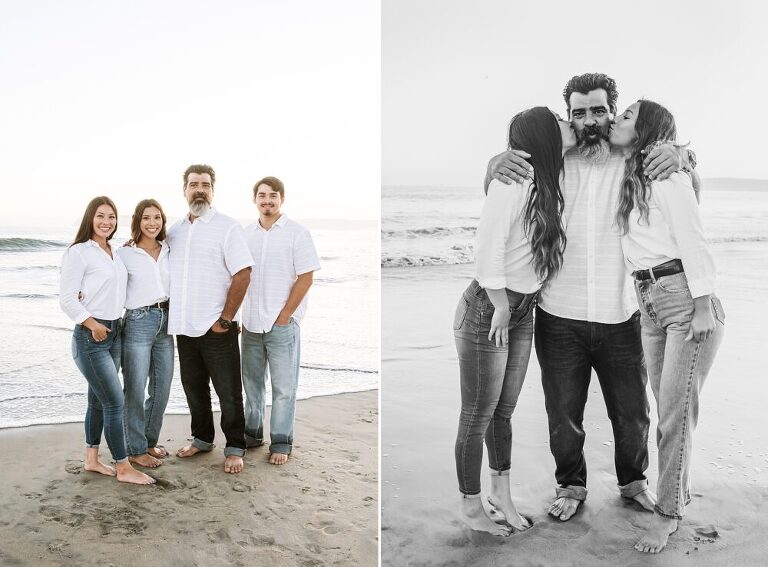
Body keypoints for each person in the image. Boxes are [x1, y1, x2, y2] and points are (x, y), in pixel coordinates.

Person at [485, 73, 698, 521]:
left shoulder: (637, 160)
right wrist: (492, 163)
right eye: (578, 113)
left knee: (633, 413)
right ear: (569, 118)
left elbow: (690, 195)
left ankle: (633, 483)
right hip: (557, 314)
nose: (589, 121)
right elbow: (501, 201)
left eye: (599, 110)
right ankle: (571, 485)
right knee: (563, 413)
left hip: (623, 312)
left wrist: (685, 154)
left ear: (611, 112)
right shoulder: (553, 161)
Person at [610, 100, 725, 554]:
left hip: (685, 303)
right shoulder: (633, 173)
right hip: (651, 304)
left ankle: (669, 515)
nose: (616, 119)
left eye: (626, 117)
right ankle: (674, 497)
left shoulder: (666, 175)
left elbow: (695, 240)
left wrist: (701, 307)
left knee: (675, 415)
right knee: (668, 412)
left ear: (646, 131)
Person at [454, 107, 575, 536]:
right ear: (545, 133)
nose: (569, 125)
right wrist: (502, 304)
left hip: (523, 310)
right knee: (478, 413)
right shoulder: (514, 181)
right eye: (561, 122)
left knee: (503, 410)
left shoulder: (547, 179)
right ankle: (471, 508)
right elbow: (486, 246)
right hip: (491, 309)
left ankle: (500, 496)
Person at [59, 196, 155, 485]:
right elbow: (66, 299)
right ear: (90, 218)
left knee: (98, 402)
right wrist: (92, 324)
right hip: (91, 338)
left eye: (111, 217)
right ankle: (124, 467)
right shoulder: (79, 252)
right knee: (116, 402)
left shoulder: (114, 251)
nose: (106, 221)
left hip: (115, 332)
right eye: (101, 215)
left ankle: (91, 459)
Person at [167, 164, 254, 474]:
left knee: (228, 390)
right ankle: (202, 439)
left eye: (205, 184)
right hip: (182, 325)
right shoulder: (174, 230)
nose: (199, 189)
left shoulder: (227, 227)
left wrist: (226, 319)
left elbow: (243, 273)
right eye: (193, 184)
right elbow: (152, 257)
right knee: (193, 387)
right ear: (184, 190)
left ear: (213, 191)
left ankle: (234, 446)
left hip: (217, 326)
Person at [241, 176, 321, 465]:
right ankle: (252, 435)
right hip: (249, 323)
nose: (267, 200)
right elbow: (237, 277)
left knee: (284, 388)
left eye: (273, 196)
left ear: (282, 199)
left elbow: (306, 276)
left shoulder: (297, 233)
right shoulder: (245, 234)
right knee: (251, 385)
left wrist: (285, 316)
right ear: (254, 199)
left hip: (282, 324)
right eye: (262, 195)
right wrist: (238, 314)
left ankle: (281, 442)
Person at [117, 199, 174, 469]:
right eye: (146, 218)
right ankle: (135, 449)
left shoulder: (170, 249)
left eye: (157, 218)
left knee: (161, 388)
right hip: (138, 320)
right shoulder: (124, 253)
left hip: (168, 319)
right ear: (137, 221)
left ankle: (149, 442)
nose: (152, 223)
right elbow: (108, 282)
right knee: (135, 390)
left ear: (163, 221)